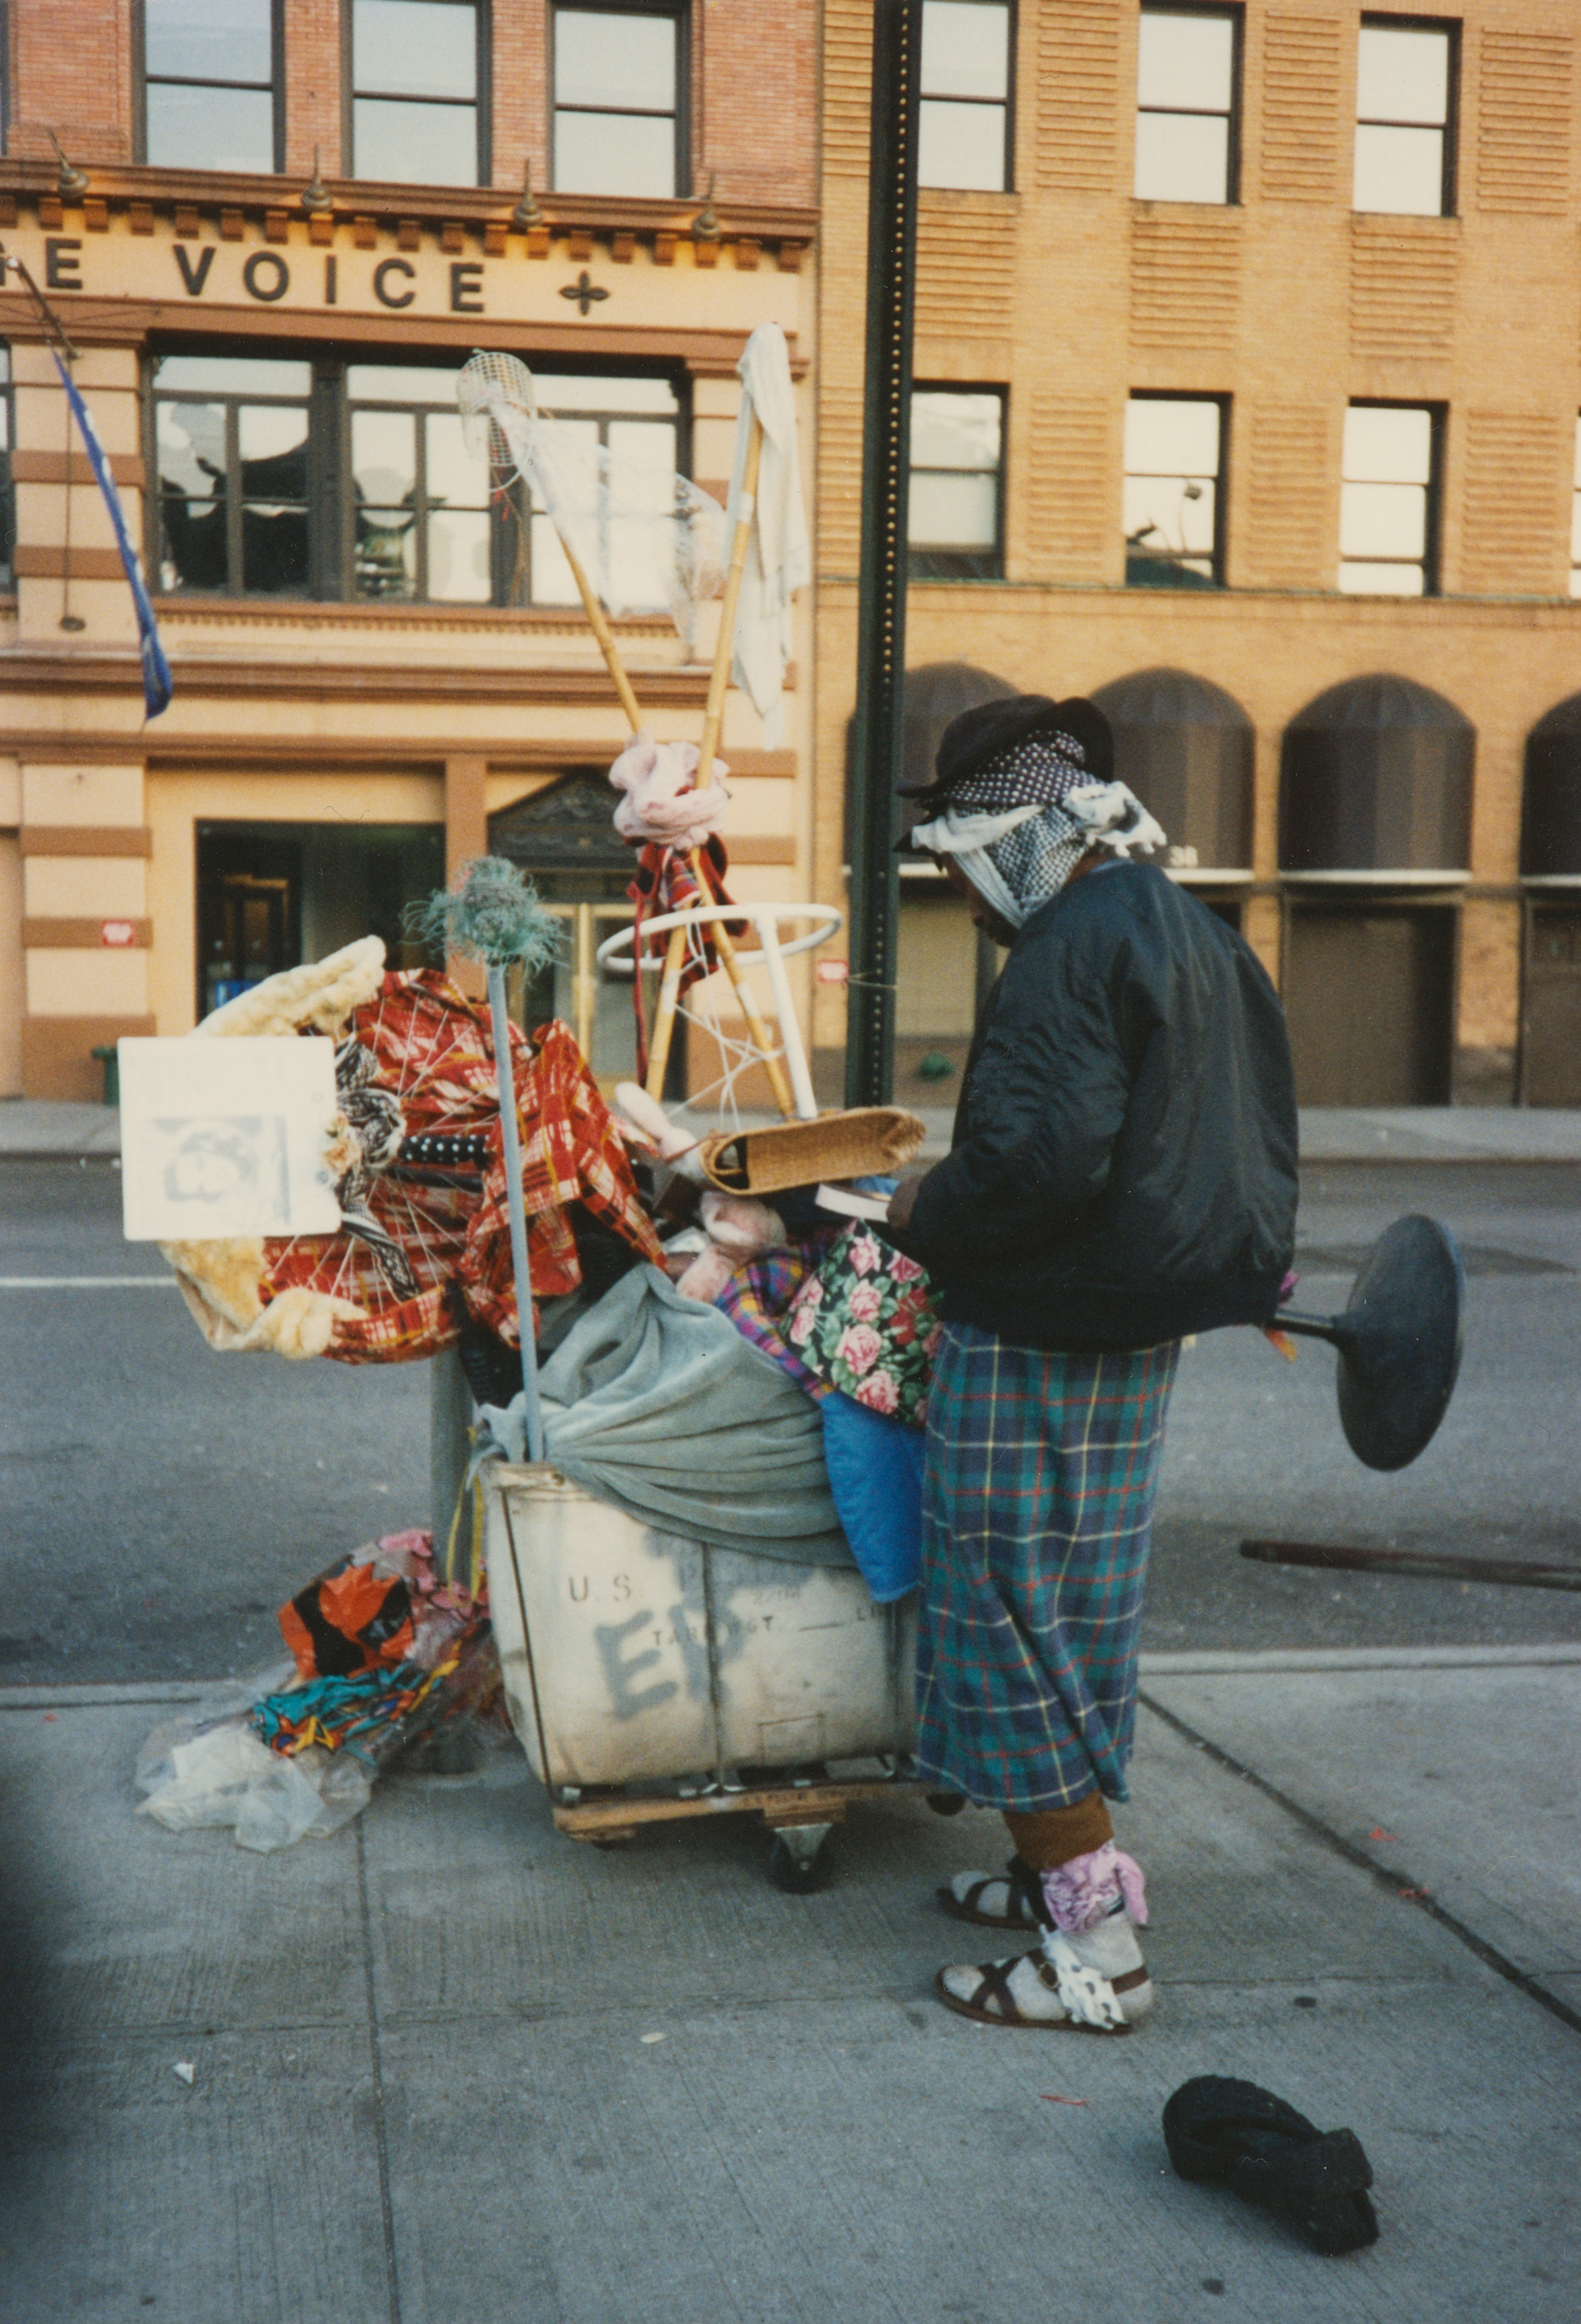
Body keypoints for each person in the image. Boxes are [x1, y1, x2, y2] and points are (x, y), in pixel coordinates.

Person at [887, 693, 1297, 2034]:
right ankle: (1045, 1872)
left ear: (1020, 838)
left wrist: (914, 1213)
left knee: (1007, 1623)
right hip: (1130, 1328)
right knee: (1070, 1612)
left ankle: (1096, 1953)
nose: (960, 893)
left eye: (959, 861)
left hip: (1037, 1330)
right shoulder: (1193, 930)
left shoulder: (1063, 945)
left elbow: (1030, 1162)